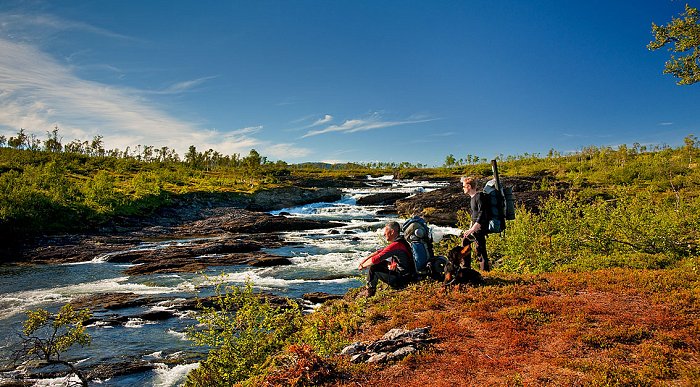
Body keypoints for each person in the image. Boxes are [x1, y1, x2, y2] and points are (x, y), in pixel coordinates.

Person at [357, 221, 414, 296]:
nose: (384, 234)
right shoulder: (401, 241)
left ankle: (369, 291)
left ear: (392, 232)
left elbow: (375, 259)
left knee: (374, 268)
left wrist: (362, 266)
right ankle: (370, 289)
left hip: (402, 280)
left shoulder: (396, 245)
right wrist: (363, 262)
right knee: (381, 263)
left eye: (385, 231)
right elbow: (379, 252)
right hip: (407, 275)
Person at [460, 176, 490, 271]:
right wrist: (470, 227)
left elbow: (483, 212)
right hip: (475, 227)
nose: (463, 188)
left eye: (464, 186)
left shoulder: (479, 196)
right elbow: (475, 214)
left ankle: (485, 272)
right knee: (465, 241)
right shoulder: (473, 198)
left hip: (479, 228)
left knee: (480, 249)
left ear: (469, 186)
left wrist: (474, 228)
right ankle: (466, 267)